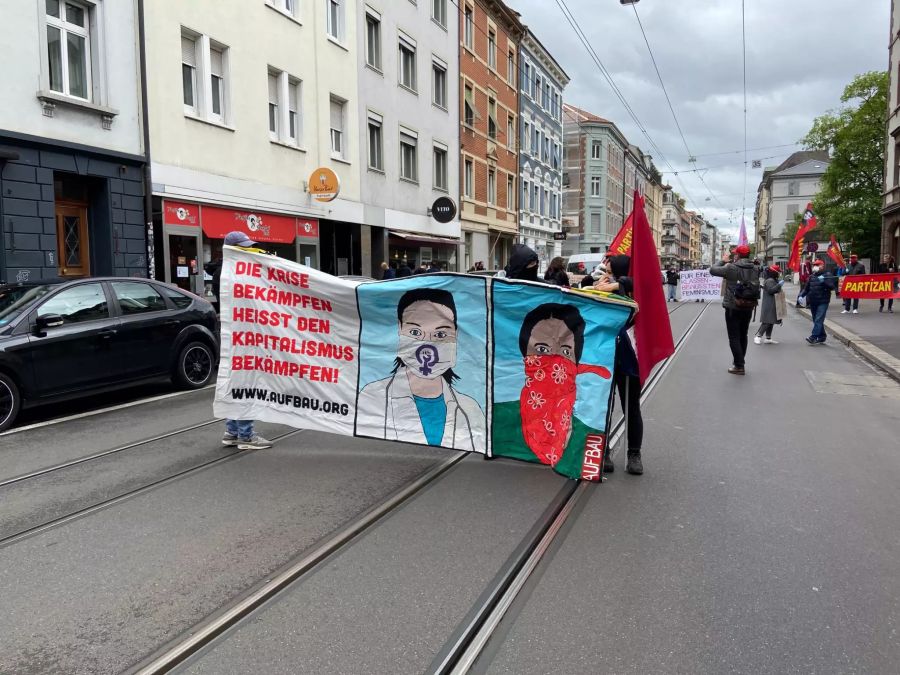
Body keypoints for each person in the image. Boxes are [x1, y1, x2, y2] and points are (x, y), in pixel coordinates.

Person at [356, 288, 485, 450]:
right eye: (415, 332)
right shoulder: (373, 398)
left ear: (456, 336)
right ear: (399, 330)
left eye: (440, 335)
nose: (427, 345)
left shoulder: (470, 410)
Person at [220, 230, 275, 450]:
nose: (248, 251)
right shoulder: (237, 274)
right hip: (244, 338)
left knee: (236, 384)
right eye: (244, 248)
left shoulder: (225, 272)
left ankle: (232, 431)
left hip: (237, 338)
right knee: (246, 384)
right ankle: (246, 436)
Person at [593, 255, 644, 474]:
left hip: (630, 355)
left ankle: (634, 453)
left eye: (612, 270)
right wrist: (600, 282)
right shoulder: (601, 285)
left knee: (631, 406)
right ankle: (602, 451)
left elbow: (638, 285)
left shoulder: (633, 287)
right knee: (602, 406)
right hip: (604, 355)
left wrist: (615, 284)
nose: (608, 273)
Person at [709, 244, 760, 375]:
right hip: (748, 305)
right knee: (744, 335)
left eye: (735, 254)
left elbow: (713, 270)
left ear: (737, 255)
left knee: (734, 337)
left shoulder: (731, 267)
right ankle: (740, 361)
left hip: (733, 306)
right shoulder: (756, 267)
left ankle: (739, 365)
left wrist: (723, 260)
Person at [799, 258, 836, 345]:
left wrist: (824, 281)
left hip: (823, 301)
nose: (815, 267)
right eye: (814, 265)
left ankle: (813, 337)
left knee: (819, 319)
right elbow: (806, 288)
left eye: (817, 265)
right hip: (813, 301)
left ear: (822, 266)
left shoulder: (827, 275)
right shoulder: (812, 276)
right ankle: (822, 336)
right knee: (816, 320)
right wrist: (801, 295)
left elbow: (832, 287)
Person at [754, 264, 786, 344]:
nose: (779, 273)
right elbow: (770, 291)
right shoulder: (770, 281)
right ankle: (758, 336)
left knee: (771, 321)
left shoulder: (772, 280)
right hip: (769, 304)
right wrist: (779, 285)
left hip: (773, 303)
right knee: (767, 321)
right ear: (774, 272)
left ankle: (768, 338)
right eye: (778, 272)